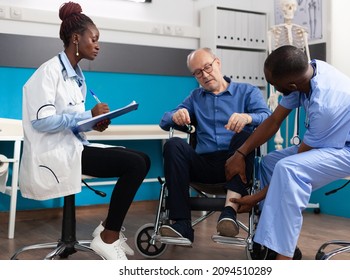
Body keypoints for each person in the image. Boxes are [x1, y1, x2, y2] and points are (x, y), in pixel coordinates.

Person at [225, 45, 350, 259]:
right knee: (270, 162)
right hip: (343, 141)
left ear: (291, 85)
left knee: (289, 169)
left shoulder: (327, 102)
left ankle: (282, 257)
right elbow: (274, 120)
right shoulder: (309, 73)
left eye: (275, 85)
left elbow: (298, 160)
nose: (274, 89)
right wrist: (240, 153)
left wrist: (254, 198)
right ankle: (274, 242)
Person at [19, 2, 151, 260]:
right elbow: (42, 121)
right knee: (134, 165)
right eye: (95, 39)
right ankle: (108, 236)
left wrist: (94, 123)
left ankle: (106, 229)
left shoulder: (77, 76)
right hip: (53, 153)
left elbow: (71, 121)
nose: (98, 45)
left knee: (143, 159)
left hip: (73, 147)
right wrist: (87, 114)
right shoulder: (49, 72)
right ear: (76, 38)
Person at [159, 47, 271, 243]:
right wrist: (175, 116)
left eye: (207, 67)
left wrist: (247, 117)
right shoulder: (195, 98)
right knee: (173, 144)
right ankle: (182, 224)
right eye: (198, 73)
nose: (205, 75)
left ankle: (229, 212)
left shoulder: (247, 92)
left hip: (237, 163)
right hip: (204, 165)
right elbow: (164, 121)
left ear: (217, 63)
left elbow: (267, 117)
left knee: (244, 134)